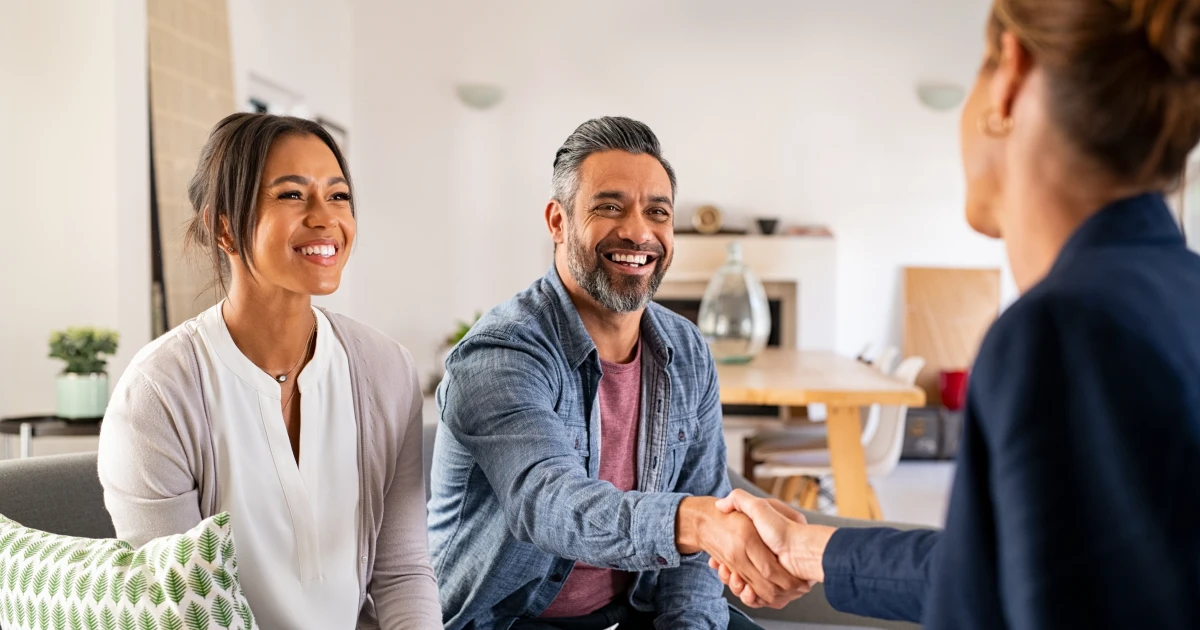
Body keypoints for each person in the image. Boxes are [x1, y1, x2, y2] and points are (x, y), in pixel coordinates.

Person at [711, 1, 1200, 628]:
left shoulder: (1064, 332)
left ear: (1010, 77)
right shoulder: (1174, 295)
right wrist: (810, 550)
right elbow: (1009, 569)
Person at [428, 116, 807, 629]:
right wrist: (691, 521)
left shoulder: (687, 349)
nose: (638, 232)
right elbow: (549, 502)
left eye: (658, 212)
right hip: (508, 621)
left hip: (633, 612)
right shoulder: (499, 355)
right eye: (609, 207)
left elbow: (695, 553)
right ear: (557, 222)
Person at [97, 113, 441, 629]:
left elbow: (402, 573)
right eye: (291, 195)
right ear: (224, 227)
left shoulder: (385, 369)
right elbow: (184, 611)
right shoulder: (158, 393)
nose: (327, 218)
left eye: (339, 195)